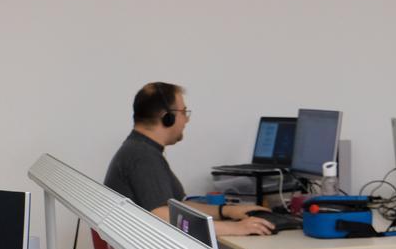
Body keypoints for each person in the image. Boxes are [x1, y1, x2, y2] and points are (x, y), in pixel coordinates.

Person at [104, 82, 274, 237]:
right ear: (167, 117)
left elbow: (177, 208)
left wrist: (226, 211)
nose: (186, 119)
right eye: (184, 112)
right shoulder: (142, 156)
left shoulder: (141, 148)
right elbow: (161, 215)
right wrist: (236, 228)